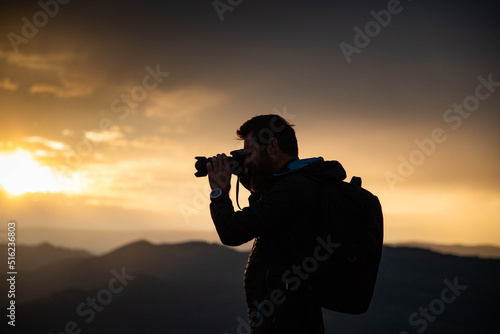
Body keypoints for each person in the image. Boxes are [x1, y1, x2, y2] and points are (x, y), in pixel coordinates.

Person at [206, 114, 346, 333]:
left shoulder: (291, 189)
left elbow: (232, 232)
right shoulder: (301, 183)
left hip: (284, 323)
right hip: (293, 318)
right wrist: (247, 174)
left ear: (272, 146)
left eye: (249, 153)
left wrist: (219, 193)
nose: (247, 160)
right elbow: (264, 212)